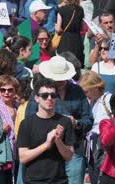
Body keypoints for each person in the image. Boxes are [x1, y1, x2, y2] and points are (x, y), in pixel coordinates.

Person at [33, 55, 93, 184]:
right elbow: (29, 120)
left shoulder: (77, 91)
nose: (61, 81)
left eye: (63, 78)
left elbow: (88, 119)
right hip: (48, 152)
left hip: (74, 149)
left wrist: (76, 123)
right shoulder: (40, 92)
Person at [18, 76, 75, 183]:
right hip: (33, 181)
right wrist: (46, 145)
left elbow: (69, 156)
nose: (49, 98)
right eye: (44, 95)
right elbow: (23, 157)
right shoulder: (27, 123)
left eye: (53, 95)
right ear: (37, 98)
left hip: (59, 180)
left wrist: (58, 141)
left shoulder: (65, 121)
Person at [55, 0, 85, 64]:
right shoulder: (80, 9)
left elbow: (58, 29)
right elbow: (82, 28)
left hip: (65, 40)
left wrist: (56, 27)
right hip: (77, 40)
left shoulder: (62, 10)